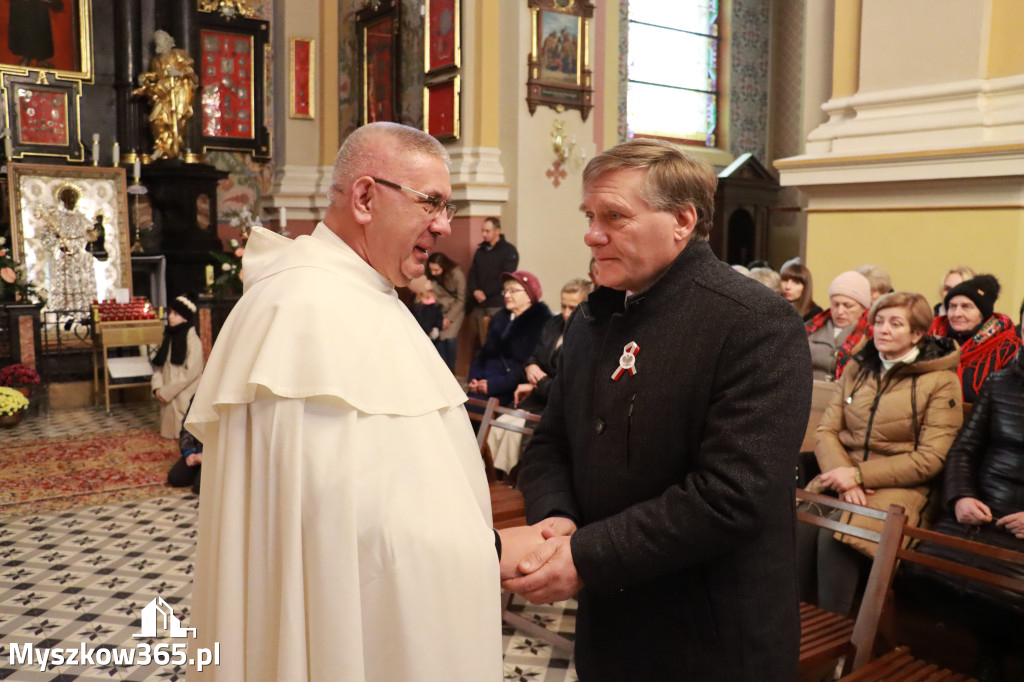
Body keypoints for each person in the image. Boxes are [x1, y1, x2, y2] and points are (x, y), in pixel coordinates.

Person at [184, 122, 544, 681]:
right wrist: (490, 550)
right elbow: (344, 532)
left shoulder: (360, 293)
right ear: (366, 197)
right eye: (433, 204)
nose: (446, 227)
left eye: (449, 208)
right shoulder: (305, 311)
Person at [506, 139, 813, 680]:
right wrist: (556, 518)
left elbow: (731, 495)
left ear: (683, 221)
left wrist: (587, 556)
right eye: (590, 215)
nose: (592, 234)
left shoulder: (752, 322)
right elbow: (552, 440)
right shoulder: (593, 319)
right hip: (613, 622)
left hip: (709, 635)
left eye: (615, 217)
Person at [797, 292, 962, 616]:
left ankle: (839, 642)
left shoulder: (941, 381)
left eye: (895, 324)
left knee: (838, 537)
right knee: (799, 526)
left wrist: (858, 476)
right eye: (879, 322)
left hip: (902, 488)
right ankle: (794, 631)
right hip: (842, 476)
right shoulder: (858, 369)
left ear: (917, 334)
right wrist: (847, 477)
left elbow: (931, 458)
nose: (883, 330)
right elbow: (826, 432)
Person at [908, 305, 1024, 676]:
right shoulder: (1001, 381)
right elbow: (964, 449)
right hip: (981, 511)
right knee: (921, 573)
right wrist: (960, 498)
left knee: (1003, 597)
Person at [486, 277, 593, 476]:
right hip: (537, 398)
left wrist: (539, 383)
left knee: (512, 434)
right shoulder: (554, 324)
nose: (566, 314)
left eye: (573, 308)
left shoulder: (591, 336)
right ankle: (491, 482)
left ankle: (508, 485)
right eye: (563, 306)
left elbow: (570, 390)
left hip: (556, 407)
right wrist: (531, 367)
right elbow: (535, 355)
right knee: (498, 428)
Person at [928, 274, 1021, 403]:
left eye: (966, 306)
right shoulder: (930, 335)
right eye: (952, 306)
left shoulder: (1007, 347)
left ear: (982, 314)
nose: (957, 314)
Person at [467, 270, 551, 407]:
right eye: (505, 291)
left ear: (529, 295)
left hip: (510, 390)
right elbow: (483, 354)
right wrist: (474, 378)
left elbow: (525, 367)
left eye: (513, 291)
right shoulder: (500, 318)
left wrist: (492, 386)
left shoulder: (541, 324)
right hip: (484, 384)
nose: (506, 295)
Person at [133, 30, 198, 160]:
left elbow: (190, 72)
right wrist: (145, 77)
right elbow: (157, 75)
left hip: (178, 92)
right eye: (157, 41)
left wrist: (178, 73)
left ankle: (176, 149)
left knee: (176, 121)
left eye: (161, 41)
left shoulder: (177, 55)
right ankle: (161, 147)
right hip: (163, 93)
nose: (158, 43)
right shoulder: (156, 60)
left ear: (168, 42)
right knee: (156, 119)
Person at [34, 184, 98, 313]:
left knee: (82, 285)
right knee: (65, 285)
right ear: (62, 200)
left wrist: (86, 240)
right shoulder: (56, 217)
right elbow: (47, 237)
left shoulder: (81, 217)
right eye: (69, 198)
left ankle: (84, 312)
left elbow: (90, 234)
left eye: (74, 198)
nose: (72, 201)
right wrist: (58, 246)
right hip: (63, 258)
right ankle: (65, 312)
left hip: (80, 257)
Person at [151, 294, 204, 439]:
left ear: (185, 318)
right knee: (168, 436)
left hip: (183, 395)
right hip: (166, 395)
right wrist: (158, 388)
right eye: (170, 313)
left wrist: (167, 391)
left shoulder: (193, 342)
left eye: (176, 314)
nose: (171, 317)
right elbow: (158, 366)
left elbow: (190, 373)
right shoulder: (168, 337)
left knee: (184, 436)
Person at [806, 271, 873, 381]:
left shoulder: (870, 335)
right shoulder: (811, 328)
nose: (840, 311)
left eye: (848, 306)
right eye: (835, 304)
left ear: (863, 308)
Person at [466, 216, 518, 342]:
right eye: (482, 231)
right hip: (479, 302)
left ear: (497, 231)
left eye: (487, 231)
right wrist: (475, 291)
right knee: (482, 339)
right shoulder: (481, 250)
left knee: (498, 339)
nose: (483, 234)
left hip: (496, 302)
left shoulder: (508, 250)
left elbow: (506, 276)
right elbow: (473, 272)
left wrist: (485, 293)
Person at [425, 251, 466, 370]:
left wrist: (448, 318)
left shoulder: (457, 275)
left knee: (450, 339)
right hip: (440, 310)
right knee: (439, 340)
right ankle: (443, 371)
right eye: (431, 270)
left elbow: (461, 299)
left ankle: (451, 370)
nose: (433, 273)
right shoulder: (432, 277)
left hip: (455, 310)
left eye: (436, 270)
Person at [167, 397, 202, 494]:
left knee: (199, 487)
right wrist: (189, 453)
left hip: (216, 453)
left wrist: (206, 456)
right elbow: (187, 428)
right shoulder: (198, 396)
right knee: (176, 478)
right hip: (198, 449)